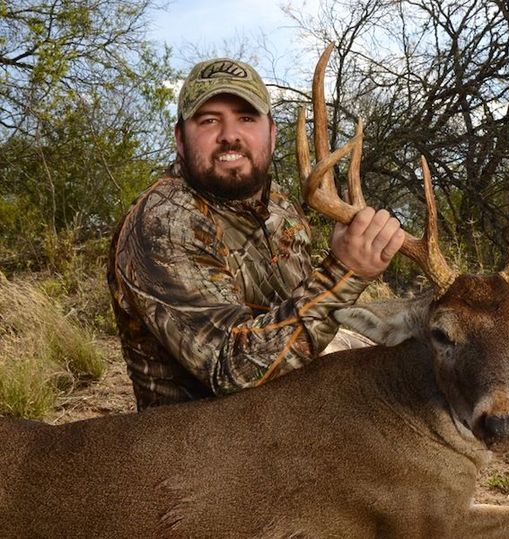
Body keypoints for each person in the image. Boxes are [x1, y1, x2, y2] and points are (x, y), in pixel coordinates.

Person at [108, 58, 404, 410]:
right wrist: (343, 273)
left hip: (283, 401)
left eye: (246, 118)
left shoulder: (277, 204)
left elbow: (297, 311)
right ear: (180, 140)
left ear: (272, 133)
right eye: (209, 121)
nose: (229, 134)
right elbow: (230, 370)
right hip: (204, 440)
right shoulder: (164, 222)